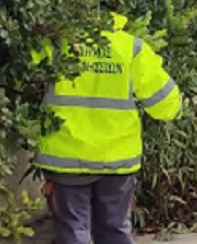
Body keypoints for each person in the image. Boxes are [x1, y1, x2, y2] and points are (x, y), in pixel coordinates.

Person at [30, 12, 181, 244]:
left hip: (66, 158)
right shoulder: (131, 49)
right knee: (115, 231)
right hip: (117, 159)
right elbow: (166, 105)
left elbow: (21, 77)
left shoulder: (56, 44)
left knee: (73, 233)